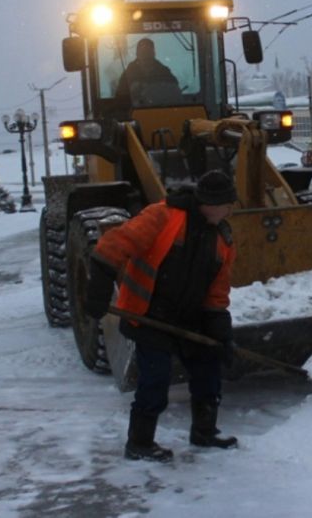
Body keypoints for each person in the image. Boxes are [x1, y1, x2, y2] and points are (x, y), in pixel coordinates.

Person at [88, 170, 240, 463]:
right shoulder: (163, 216)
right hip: (149, 315)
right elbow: (113, 245)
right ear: (211, 203)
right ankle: (139, 443)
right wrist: (98, 290)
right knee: (155, 380)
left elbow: (217, 291)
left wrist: (221, 332)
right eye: (228, 204)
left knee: (208, 370)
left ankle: (204, 432)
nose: (231, 210)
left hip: (191, 317)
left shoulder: (223, 238)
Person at [114, 37, 180, 107]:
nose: (146, 56)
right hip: (135, 114)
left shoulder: (164, 72)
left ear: (153, 53)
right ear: (137, 54)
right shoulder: (129, 74)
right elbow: (120, 100)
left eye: (148, 52)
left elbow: (174, 93)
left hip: (161, 112)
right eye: (143, 52)